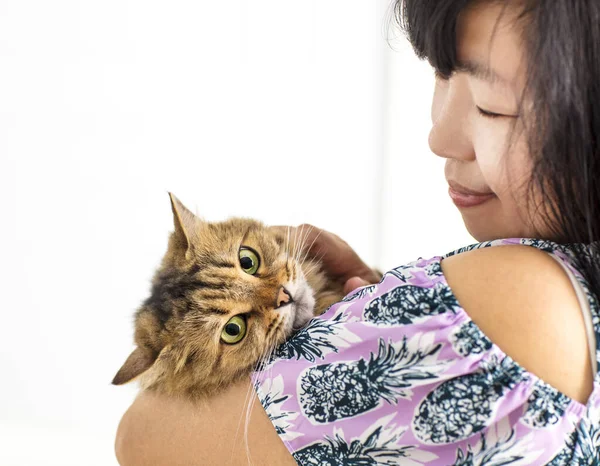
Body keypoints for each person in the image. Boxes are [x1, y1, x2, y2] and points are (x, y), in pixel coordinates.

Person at [114, 0, 600, 464]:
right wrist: (379, 317)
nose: (438, 138)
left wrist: (397, 318)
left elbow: (140, 437)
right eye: (440, 71)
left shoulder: (530, 297)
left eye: (492, 106)